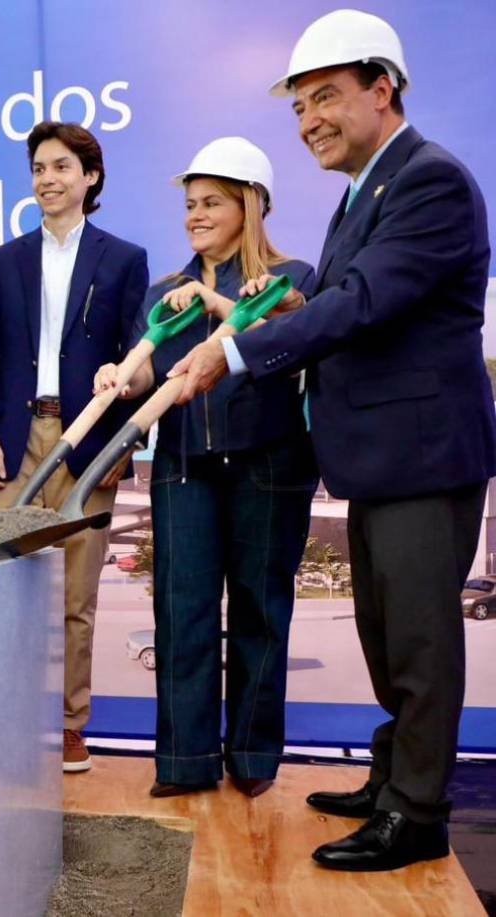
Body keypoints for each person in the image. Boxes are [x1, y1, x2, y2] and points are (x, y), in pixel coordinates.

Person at [171, 10, 496, 871]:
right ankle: (393, 779)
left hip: (424, 454)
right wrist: (294, 308)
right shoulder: (364, 193)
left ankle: (417, 813)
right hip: (381, 457)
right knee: (387, 634)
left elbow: (363, 303)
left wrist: (236, 350)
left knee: (420, 640)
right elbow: (347, 299)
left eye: (325, 98)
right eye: (299, 106)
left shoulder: (429, 180)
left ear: (381, 89)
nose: (310, 119)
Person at [96, 137, 317, 800]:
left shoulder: (294, 280)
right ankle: (184, 760)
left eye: (211, 203)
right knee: (181, 609)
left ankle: (252, 756)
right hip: (183, 465)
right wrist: (119, 377)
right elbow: (146, 372)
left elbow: (291, 344)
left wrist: (219, 304)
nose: (195, 215)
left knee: (259, 609)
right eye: (190, 204)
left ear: (251, 206)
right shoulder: (166, 292)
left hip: (268, 462)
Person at [0, 121, 149, 773]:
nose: (47, 179)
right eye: (39, 168)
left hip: (89, 442)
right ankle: (3, 719)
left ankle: (71, 723)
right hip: (15, 444)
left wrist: (123, 442)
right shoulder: (2, 262)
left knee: (76, 599)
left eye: (62, 167)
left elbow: (138, 357)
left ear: (90, 177)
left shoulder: (123, 259)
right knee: (4, 591)